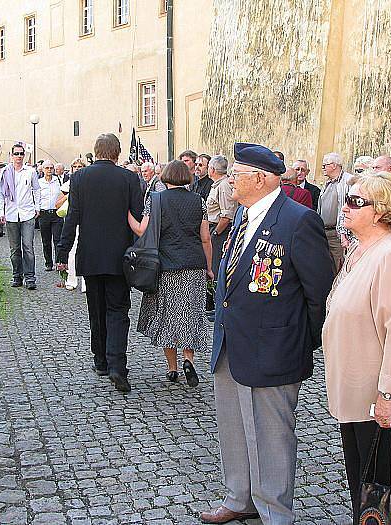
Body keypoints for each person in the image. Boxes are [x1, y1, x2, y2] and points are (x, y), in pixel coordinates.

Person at [201, 143, 334, 525]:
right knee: (234, 427)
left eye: (235, 175)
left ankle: (275, 513)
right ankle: (239, 496)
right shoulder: (243, 216)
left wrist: (297, 342)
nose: (229, 181)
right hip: (230, 343)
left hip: (274, 349)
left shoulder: (297, 220)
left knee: (271, 436)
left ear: (259, 179)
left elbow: (318, 293)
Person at [322, 172, 391, 524]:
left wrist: (389, 394)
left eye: (356, 201)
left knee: (380, 491)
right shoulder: (360, 249)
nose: (346, 206)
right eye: (348, 198)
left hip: (377, 399)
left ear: (381, 211)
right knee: (361, 487)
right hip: (356, 392)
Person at [56, 133, 143, 393]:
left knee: (96, 310)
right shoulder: (129, 178)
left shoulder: (80, 177)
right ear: (117, 153)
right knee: (118, 310)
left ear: (96, 151)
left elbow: (72, 218)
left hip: (90, 254)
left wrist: (62, 254)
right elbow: (137, 218)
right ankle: (118, 364)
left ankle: (101, 361)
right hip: (120, 257)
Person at [130, 160, 213, 386]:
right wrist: (208, 267)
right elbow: (205, 238)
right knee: (190, 315)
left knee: (168, 316)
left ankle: (172, 368)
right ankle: (189, 359)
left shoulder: (155, 200)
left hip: (166, 267)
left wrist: (126, 213)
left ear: (165, 177)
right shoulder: (199, 201)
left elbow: (141, 229)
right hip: (194, 265)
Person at [0, 143, 40, 289]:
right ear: (11, 155)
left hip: (27, 214)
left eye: (21, 154)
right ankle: (17, 276)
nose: (19, 156)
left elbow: (36, 190)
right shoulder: (5, 172)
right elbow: (0, 195)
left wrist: (37, 207)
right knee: (14, 249)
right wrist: (0, 212)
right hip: (11, 214)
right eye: (16, 154)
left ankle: (30, 277)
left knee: (28, 246)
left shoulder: (30, 171)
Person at [205, 155, 238, 321]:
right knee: (213, 267)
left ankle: (218, 307)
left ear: (212, 169)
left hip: (220, 230)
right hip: (214, 228)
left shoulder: (224, 185)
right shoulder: (217, 185)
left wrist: (215, 233)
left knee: (217, 268)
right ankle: (213, 305)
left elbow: (227, 215)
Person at [317, 152, 353, 271]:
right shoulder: (327, 183)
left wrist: (344, 235)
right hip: (324, 232)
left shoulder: (348, 181)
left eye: (324, 165)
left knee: (337, 265)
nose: (323, 168)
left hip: (337, 234)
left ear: (334, 165)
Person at [56, 158, 87, 292]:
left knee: (86, 249)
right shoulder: (68, 184)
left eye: (80, 166)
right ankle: (71, 279)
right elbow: (57, 204)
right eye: (75, 166)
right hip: (71, 220)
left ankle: (86, 282)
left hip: (86, 220)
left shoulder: (88, 181)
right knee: (72, 250)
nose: (78, 168)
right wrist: (70, 195)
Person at [38, 160, 64, 272]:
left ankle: (58, 262)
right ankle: (48, 262)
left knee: (58, 239)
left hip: (56, 213)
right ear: (43, 170)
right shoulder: (39, 182)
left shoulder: (58, 181)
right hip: (44, 213)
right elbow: (36, 197)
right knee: (46, 240)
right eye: (47, 168)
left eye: (51, 168)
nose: (49, 170)